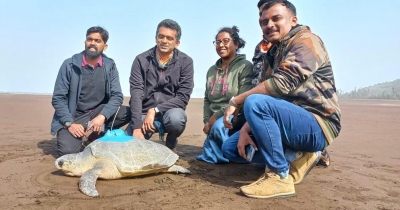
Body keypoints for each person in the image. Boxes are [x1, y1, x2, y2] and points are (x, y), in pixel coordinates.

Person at [222, 0, 341, 199]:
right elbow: (267, 96)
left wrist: (236, 101)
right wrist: (245, 129)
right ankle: (298, 156)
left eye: (276, 18)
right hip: (286, 120)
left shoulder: (307, 40)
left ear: (293, 20)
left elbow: (280, 85)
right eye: (263, 21)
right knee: (230, 149)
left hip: (318, 123)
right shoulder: (273, 53)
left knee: (253, 101)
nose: (269, 25)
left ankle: (279, 176)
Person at [51, 26, 130, 157]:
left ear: (105, 46)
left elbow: (117, 95)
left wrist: (102, 116)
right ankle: (83, 134)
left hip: (97, 114)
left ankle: (96, 135)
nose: (92, 43)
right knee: (68, 153)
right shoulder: (69, 65)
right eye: (89, 39)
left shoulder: (109, 66)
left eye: (97, 41)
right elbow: (58, 98)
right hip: (74, 118)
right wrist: (69, 123)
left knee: (128, 112)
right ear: (85, 42)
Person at [127, 19, 194, 151]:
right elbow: (136, 93)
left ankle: (171, 140)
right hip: (144, 112)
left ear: (177, 43)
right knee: (129, 147)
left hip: (169, 112)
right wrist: (136, 127)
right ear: (156, 37)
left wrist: (155, 110)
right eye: (161, 36)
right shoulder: (141, 59)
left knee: (177, 119)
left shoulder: (186, 62)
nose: (164, 41)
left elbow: (182, 98)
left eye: (169, 38)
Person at [196, 26, 253, 163]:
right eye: (218, 42)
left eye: (226, 41)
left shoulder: (245, 66)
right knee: (215, 126)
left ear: (236, 43)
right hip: (214, 119)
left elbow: (242, 98)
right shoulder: (211, 71)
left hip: (236, 114)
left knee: (218, 126)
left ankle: (227, 156)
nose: (221, 45)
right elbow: (207, 99)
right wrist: (206, 121)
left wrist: (215, 118)